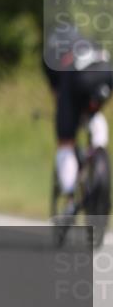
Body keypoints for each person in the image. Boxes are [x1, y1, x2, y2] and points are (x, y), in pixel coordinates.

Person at [43, 24, 113, 206]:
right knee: (93, 113)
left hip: (76, 76)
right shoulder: (87, 40)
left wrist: (65, 118)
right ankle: (98, 156)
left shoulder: (50, 52)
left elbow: (58, 93)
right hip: (107, 71)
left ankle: (69, 198)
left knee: (65, 141)